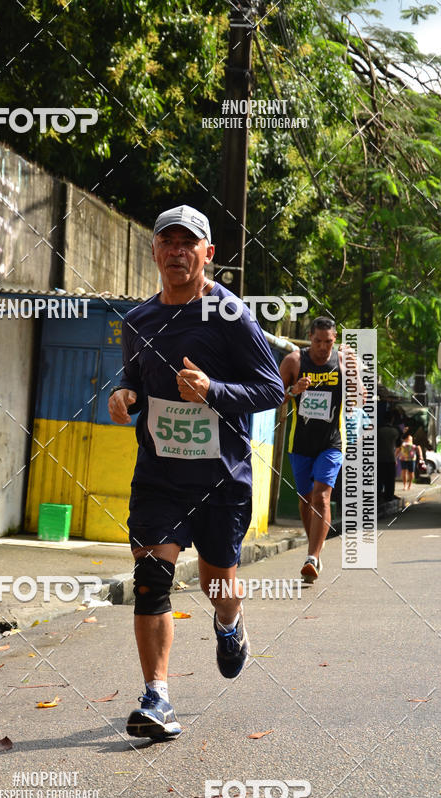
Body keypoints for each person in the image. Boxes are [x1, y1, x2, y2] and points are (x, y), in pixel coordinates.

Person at [108, 204, 284, 740]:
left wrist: (214, 391)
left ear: (208, 254)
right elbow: (134, 379)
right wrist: (124, 396)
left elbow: (272, 389)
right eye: (169, 241)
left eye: (190, 243)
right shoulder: (138, 321)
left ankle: (229, 623)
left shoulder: (231, 315)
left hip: (220, 480)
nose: (178, 252)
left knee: (216, 583)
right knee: (150, 581)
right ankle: (157, 697)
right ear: (155, 250)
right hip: (159, 477)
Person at [279, 317, 349, 584]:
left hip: (331, 442)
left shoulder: (343, 362)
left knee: (321, 497)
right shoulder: (294, 362)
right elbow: (273, 396)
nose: (322, 347)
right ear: (310, 337)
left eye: (328, 342)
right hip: (300, 443)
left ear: (335, 339)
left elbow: (361, 394)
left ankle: (311, 556)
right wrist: (293, 390)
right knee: (306, 499)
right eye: (318, 341)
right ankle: (315, 552)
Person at [377, 414, 400, 501]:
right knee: (390, 481)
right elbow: (398, 445)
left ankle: (378, 497)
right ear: (392, 419)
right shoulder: (395, 431)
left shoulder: (379, 430)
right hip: (390, 458)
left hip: (379, 458)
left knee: (379, 480)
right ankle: (389, 497)